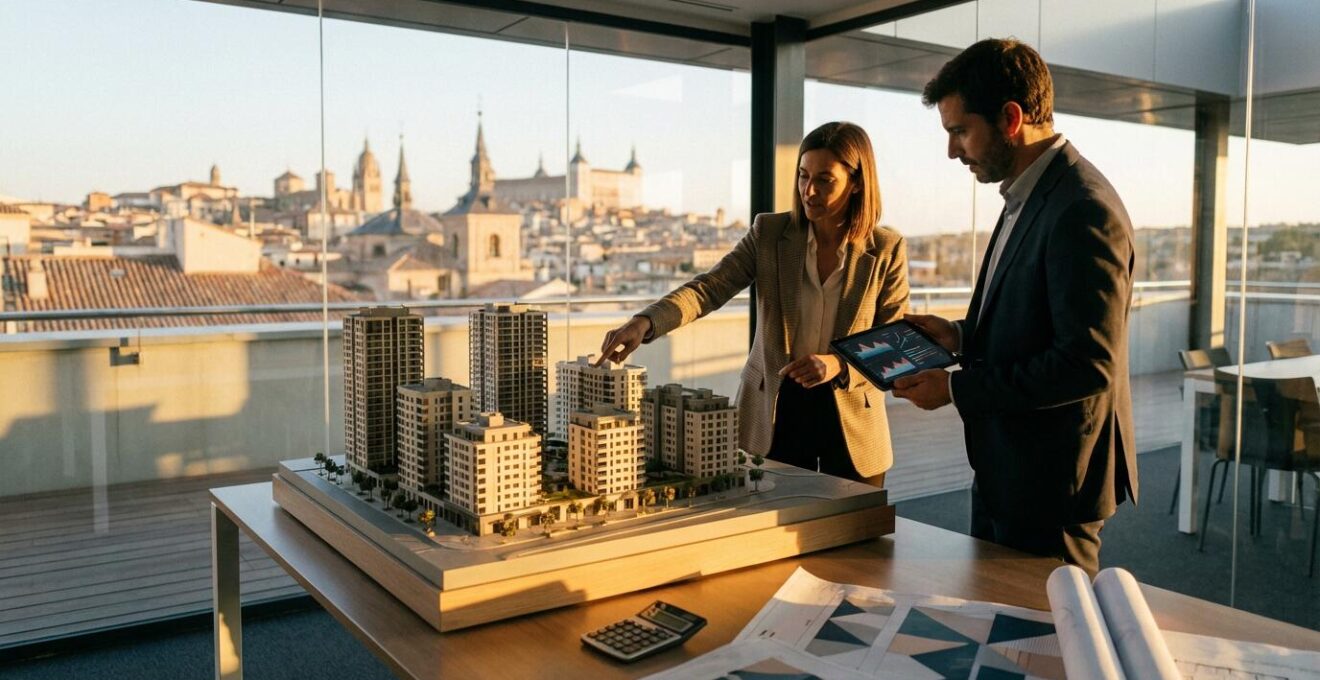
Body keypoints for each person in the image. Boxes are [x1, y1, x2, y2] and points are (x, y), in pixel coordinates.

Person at [892, 38, 1137, 574]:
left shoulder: (1082, 209)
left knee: (1047, 645)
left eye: (960, 131)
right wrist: (960, 336)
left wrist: (955, 387)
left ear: (1010, 118)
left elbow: (1086, 364)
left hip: (1051, 486)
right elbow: (1036, 325)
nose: (953, 151)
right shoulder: (1029, 195)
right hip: (1012, 470)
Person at [597, 122, 909, 485]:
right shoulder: (770, 234)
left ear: (857, 182)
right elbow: (708, 288)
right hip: (777, 409)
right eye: (803, 176)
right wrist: (645, 322)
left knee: (858, 534)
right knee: (776, 530)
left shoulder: (887, 248)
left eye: (825, 180)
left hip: (853, 412)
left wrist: (838, 364)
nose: (809, 191)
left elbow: (895, 339)